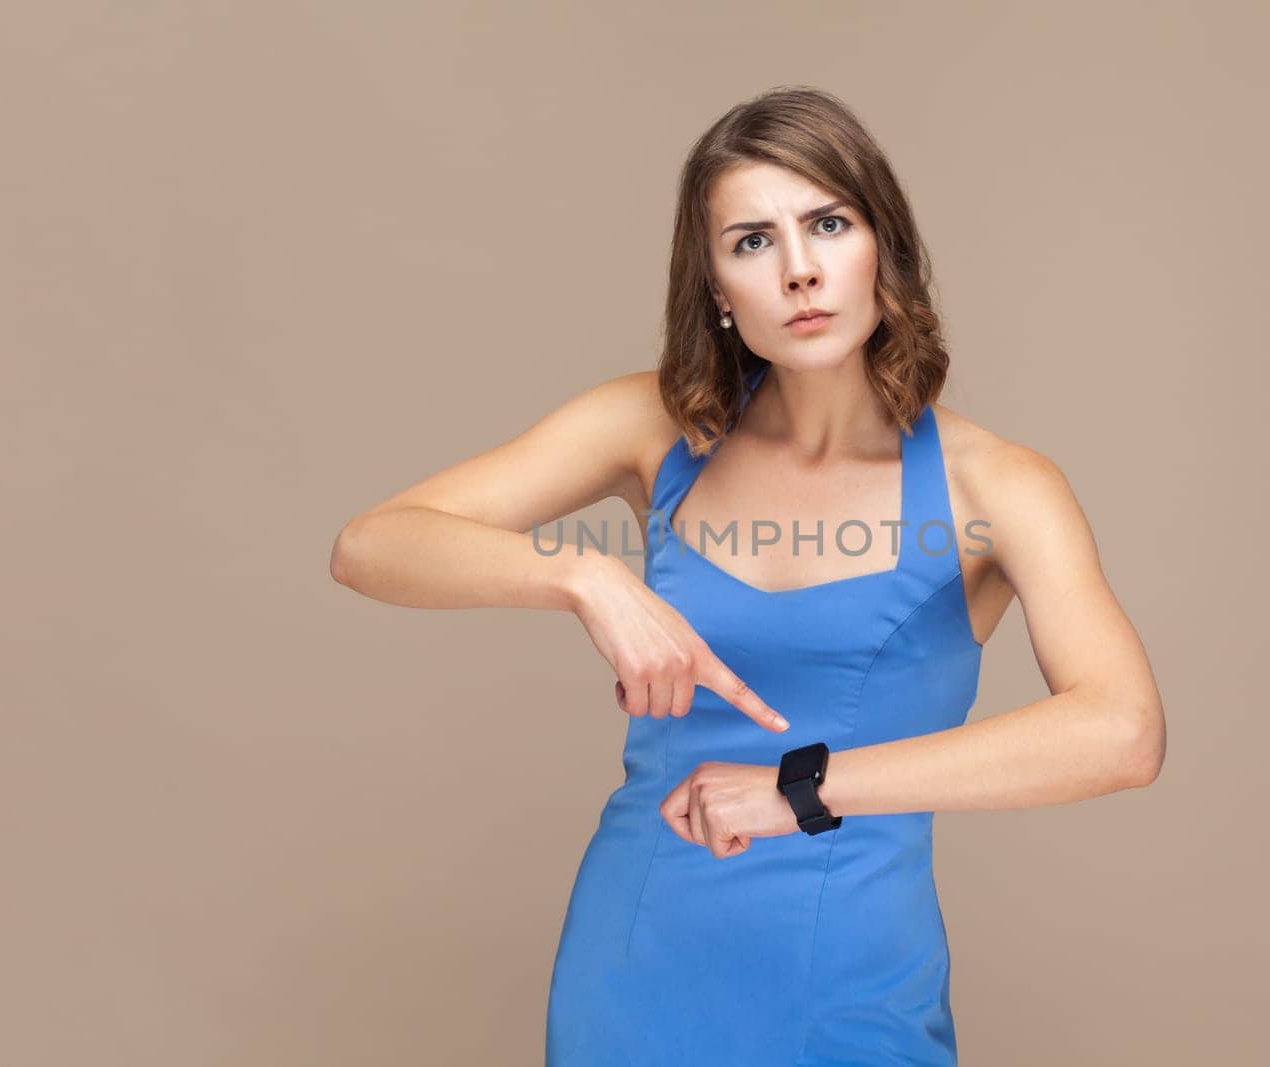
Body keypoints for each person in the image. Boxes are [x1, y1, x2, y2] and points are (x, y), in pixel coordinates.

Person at [330, 85, 1165, 1067]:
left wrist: (798, 788)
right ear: (718, 290)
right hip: (637, 959)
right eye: (752, 242)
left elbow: (1120, 732)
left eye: (827, 223)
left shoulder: (996, 485)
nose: (800, 271)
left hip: (848, 979)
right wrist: (586, 577)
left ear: (881, 248)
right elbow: (373, 545)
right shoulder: (652, 429)